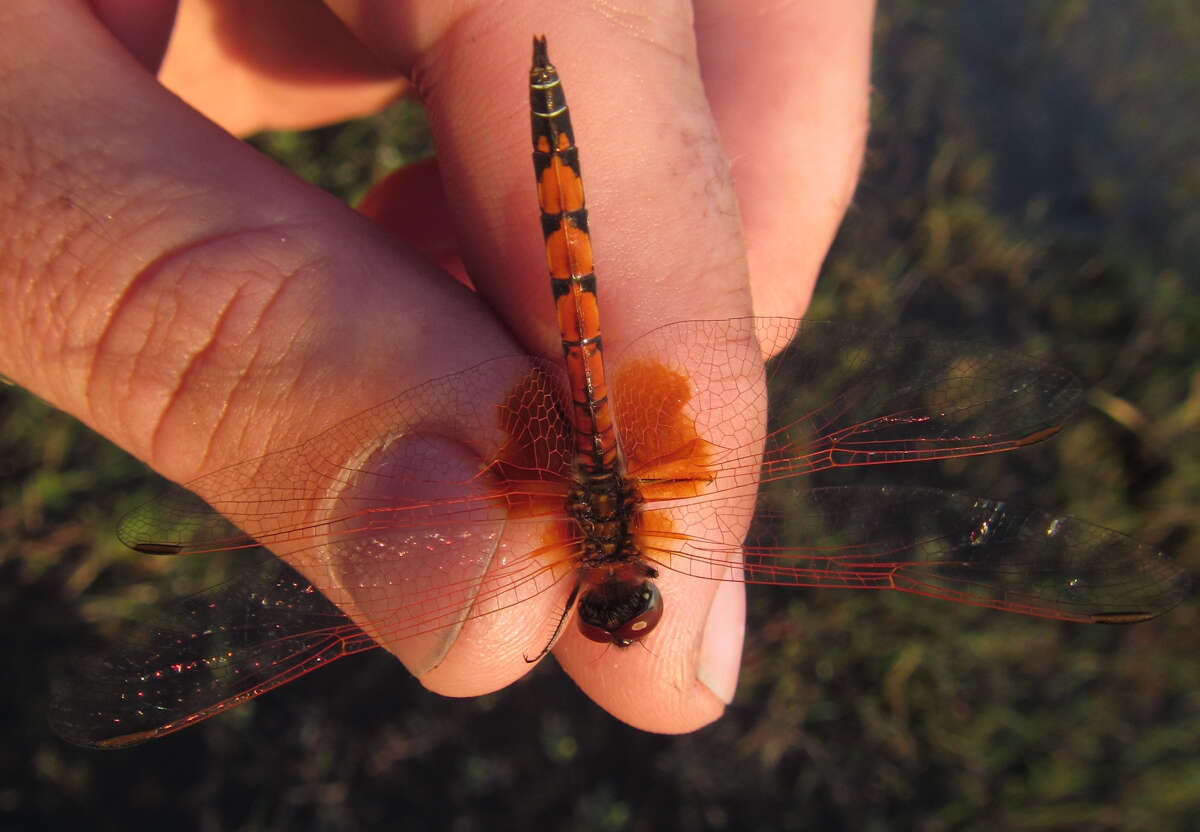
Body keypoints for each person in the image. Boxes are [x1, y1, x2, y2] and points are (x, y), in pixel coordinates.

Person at [0, 0, 873, 735]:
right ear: (643, 581)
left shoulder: (580, 520)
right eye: (628, 605)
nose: (609, 601)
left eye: (599, 608)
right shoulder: (623, 509)